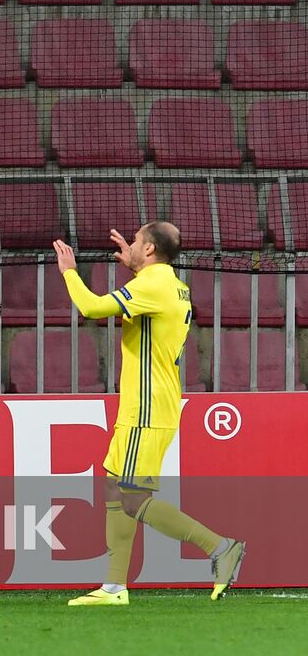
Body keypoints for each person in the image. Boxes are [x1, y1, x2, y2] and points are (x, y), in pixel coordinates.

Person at [55, 224, 245, 606]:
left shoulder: (153, 286)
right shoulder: (168, 282)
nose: (132, 246)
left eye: (138, 242)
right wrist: (135, 269)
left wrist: (69, 272)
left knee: (131, 498)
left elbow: (92, 308)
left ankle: (221, 547)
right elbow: (144, 304)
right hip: (143, 405)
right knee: (116, 487)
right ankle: (113, 588)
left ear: (151, 249)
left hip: (147, 407)